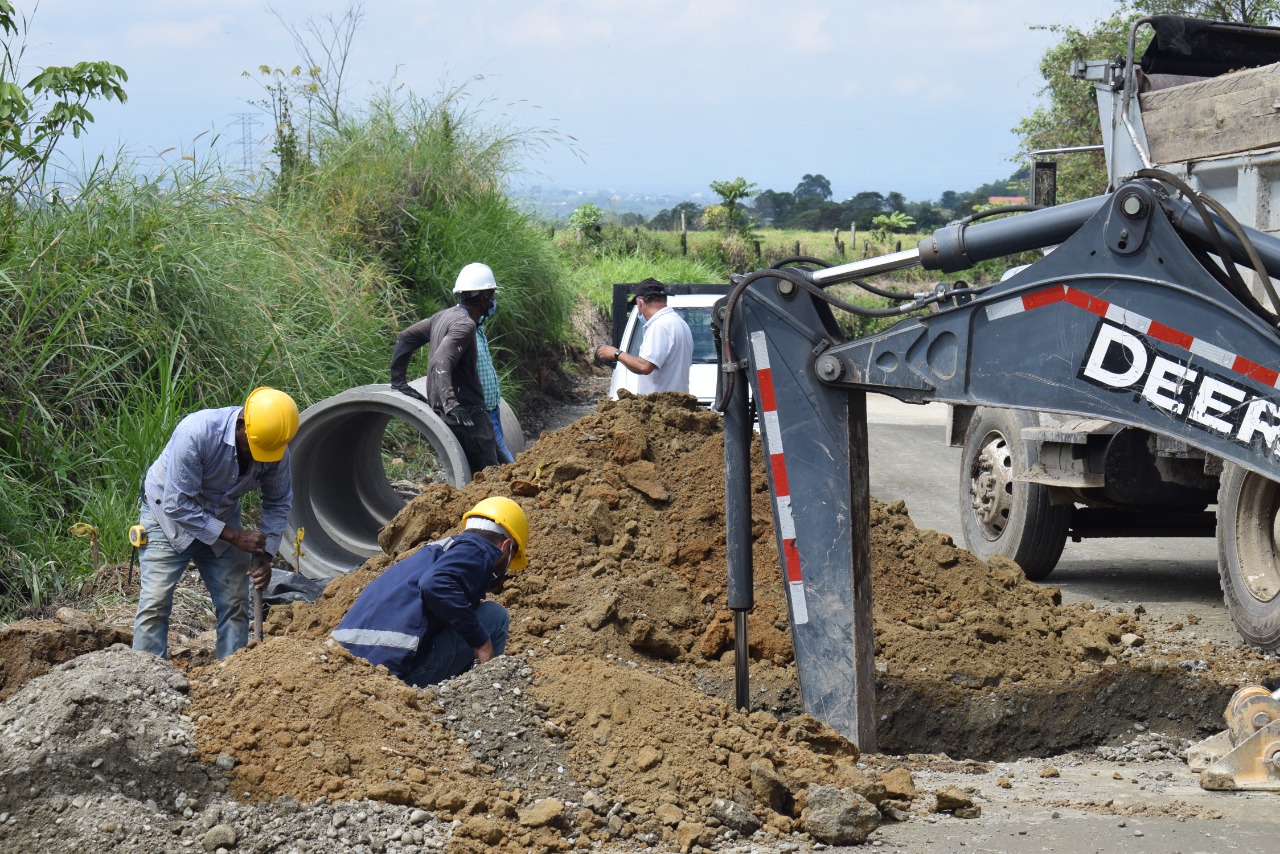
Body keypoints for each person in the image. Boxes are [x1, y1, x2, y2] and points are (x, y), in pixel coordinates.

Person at [133, 387, 299, 660]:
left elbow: (278, 501)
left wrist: (266, 554)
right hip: (167, 518)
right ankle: (146, 678)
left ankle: (230, 679)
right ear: (243, 425)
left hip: (222, 518)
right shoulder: (196, 433)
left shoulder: (274, 447)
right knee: (155, 603)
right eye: (253, 449)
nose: (260, 458)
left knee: (235, 602)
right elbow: (177, 504)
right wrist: (234, 536)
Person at [332, 496, 528, 686]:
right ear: (506, 547)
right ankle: (489, 693)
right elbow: (436, 583)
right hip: (393, 675)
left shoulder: (441, 551)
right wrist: (482, 642)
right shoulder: (479, 551)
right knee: (494, 617)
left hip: (345, 666)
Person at [390, 262, 500, 475]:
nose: (494, 301)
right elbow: (441, 361)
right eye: (492, 295)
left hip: (456, 413)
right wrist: (451, 405)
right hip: (468, 415)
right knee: (489, 478)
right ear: (482, 298)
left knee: (483, 472)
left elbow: (405, 337)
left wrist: (399, 381)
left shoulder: (443, 315)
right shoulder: (464, 325)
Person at [594, 279, 694, 394]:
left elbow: (644, 366)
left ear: (640, 303)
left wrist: (616, 353)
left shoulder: (659, 325)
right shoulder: (679, 322)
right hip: (675, 404)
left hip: (661, 407)